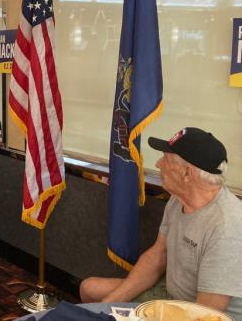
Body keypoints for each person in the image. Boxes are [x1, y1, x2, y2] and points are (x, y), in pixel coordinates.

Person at [80, 127, 242, 319]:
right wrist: (108, 305)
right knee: (90, 290)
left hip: (198, 311)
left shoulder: (228, 227)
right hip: (170, 294)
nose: (158, 164)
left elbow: (206, 313)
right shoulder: (179, 198)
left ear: (187, 173)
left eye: (165, 159)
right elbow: (159, 254)